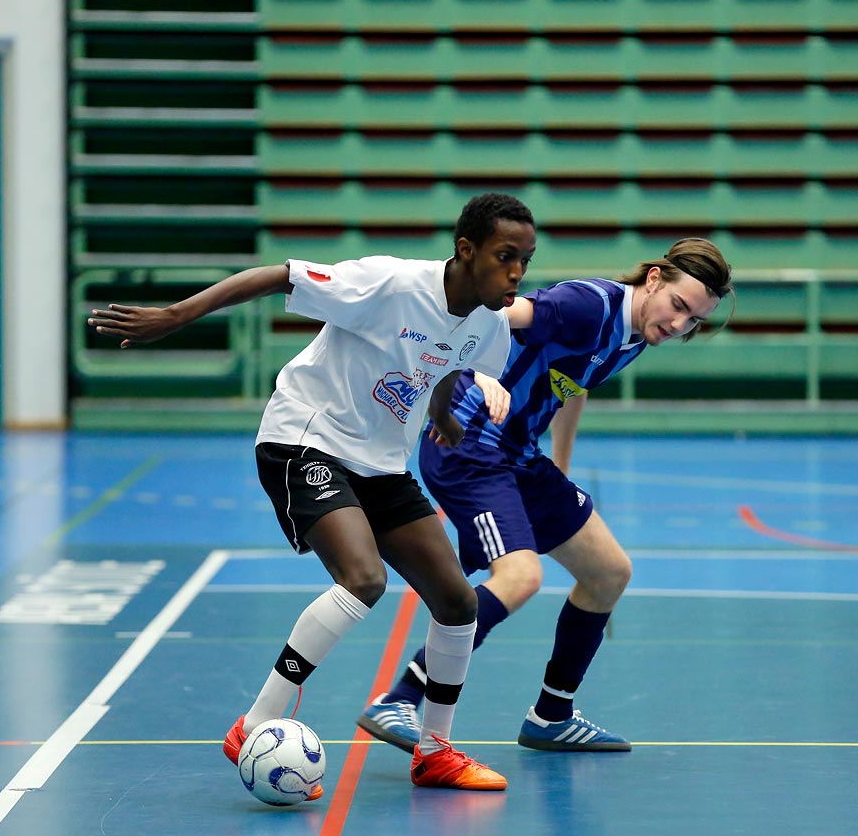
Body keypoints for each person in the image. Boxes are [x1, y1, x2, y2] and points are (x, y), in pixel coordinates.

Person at [88, 192, 540, 792]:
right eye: (505, 256)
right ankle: (255, 723)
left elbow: (443, 363)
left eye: (526, 261)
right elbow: (277, 275)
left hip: (380, 462)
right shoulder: (390, 283)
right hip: (306, 436)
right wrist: (175, 316)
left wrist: (442, 413)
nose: (516, 274)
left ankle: (435, 753)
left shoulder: (488, 326)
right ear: (466, 250)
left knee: (458, 603)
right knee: (364, 579)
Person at [355, 238, 733, 753]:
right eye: (679, 306)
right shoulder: (586, 305)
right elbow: (491, 311)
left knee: (608, 573)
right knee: (521, 576)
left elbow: (571, 385)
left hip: (519, 456)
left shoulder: (634, 334)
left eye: (694, 320)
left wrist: (560, 467)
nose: (679, 324)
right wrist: (449, 379)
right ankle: (399, 698)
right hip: (468, 442)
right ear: (653, 280)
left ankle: (552, 715)